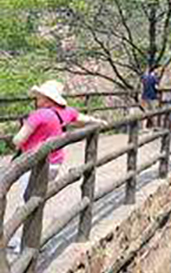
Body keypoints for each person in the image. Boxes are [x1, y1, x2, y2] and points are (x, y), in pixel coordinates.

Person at [9, 80, 105, 249]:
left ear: (46, 99)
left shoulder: (38, 115)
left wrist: (18, 137)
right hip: (55, 163)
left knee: (29, 201)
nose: (36, 100)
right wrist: (99, 122)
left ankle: (27, 244)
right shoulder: (65, 112)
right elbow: (84, 119)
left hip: (34, 163)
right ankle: (31, 239)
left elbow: (18, 140)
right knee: (37, 199)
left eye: (38, 97)